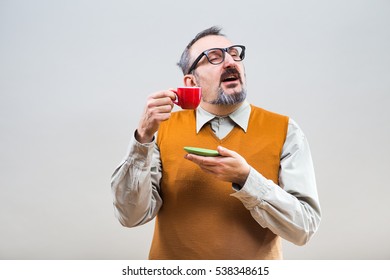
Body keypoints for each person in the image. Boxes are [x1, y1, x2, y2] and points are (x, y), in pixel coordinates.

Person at [111, 26, 321, 260]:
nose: (230, 62)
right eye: (214, 57)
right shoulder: (162, 129)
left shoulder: (285, 130)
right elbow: (130, 216)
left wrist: (247, 179)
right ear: (191, 82)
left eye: (234, 53)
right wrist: (142, 138)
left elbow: (304, 228)